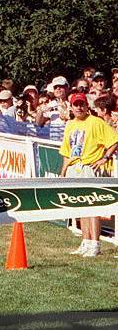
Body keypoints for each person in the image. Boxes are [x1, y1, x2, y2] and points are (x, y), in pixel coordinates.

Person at [59, 92, 118, 257]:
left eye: (81, 104)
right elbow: (66, 151)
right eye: (75, 104)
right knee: (80, 206)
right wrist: (63, 171)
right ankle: (85, 241)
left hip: (88, 166)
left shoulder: (95, 122)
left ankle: (95, 243)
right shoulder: (70, 125)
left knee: (92, 206)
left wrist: (104, 158)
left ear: (87, 106)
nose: (78, 107)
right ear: (71, 107)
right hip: (73, 167)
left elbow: (114, 139)